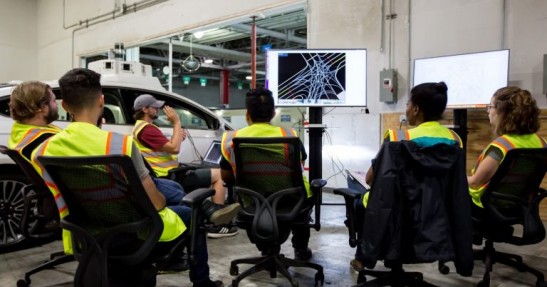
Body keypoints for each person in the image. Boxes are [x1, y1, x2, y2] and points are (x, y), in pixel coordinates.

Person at [32, 68, 232, 287]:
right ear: (101, 101)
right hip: (136, 234)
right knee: (188, 211)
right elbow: (155, 203)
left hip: (87, 235)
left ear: (64, 106)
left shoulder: (43, 151)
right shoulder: (120, 145)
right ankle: (202, 281)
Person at [351, 82, 463, 272]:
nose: (407, 109)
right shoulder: (454, 139)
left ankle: (362, 257)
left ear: (417, 109)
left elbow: (371, 179)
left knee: (359, 201)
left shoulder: (397, 137)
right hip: (435, 214)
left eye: (408, 104)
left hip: (396, 214)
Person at [219, 87, 314, 261]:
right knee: (308, 197)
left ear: (247, 114)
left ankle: (266, 248)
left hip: (252, 202)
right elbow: (299, 168)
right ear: (272, 113)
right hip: (291, 202)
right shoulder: (289, 134)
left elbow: (226, 177)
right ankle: (301, 248)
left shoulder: (230, 139)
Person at [132, 94, 239, 238]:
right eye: (154, 107)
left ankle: (213, 215)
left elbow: (168, 148)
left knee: (206, 172)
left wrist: (177, 137)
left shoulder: (145, 128)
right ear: (145, 109)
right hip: (169, 175)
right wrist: (176, 122)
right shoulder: (147, 129)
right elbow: (174, 148)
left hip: (168, 172)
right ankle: (217, 225)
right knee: (218, 175)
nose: (158, 109)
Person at [467, 86, 547, 213]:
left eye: (491, 106)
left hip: (488, 206)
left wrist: (456, 177)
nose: (488, 111)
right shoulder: (542, 143)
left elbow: (475, 182)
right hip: (520, 205)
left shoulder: (502, 146)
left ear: (503, 112)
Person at [8, 81, 61, 161]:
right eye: (53, 101)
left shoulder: (19, 130)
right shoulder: (46, 140)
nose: (57, 104)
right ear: (42, 107)